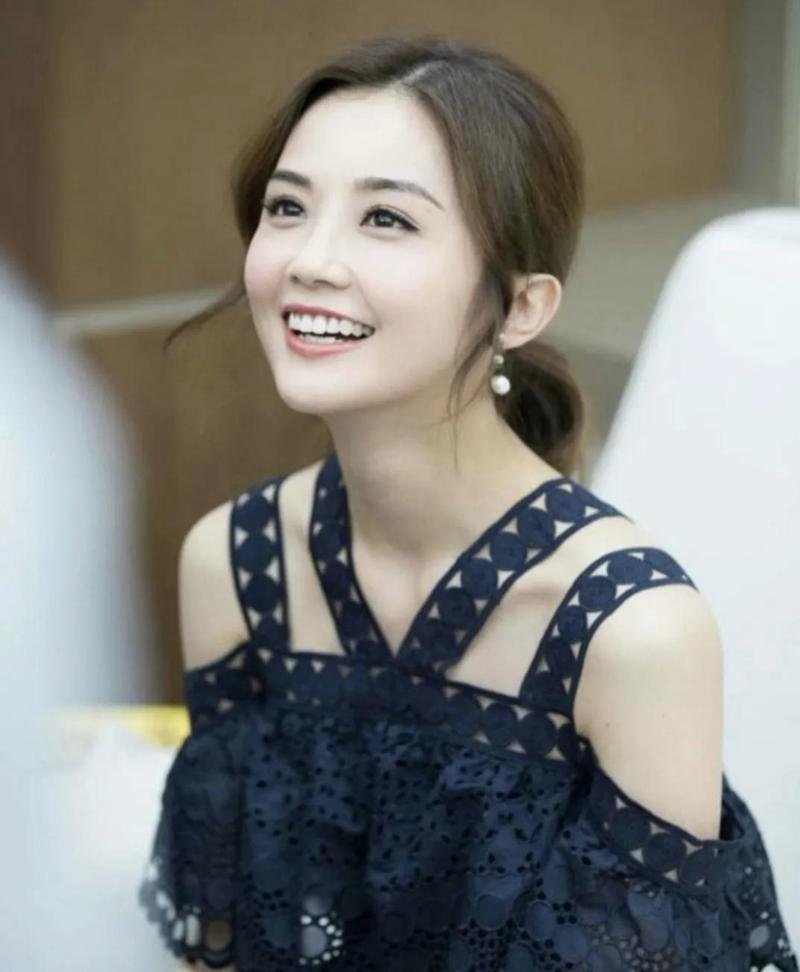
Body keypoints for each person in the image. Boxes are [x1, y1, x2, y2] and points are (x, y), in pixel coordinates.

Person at [138, 34, 797, 971]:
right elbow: (223, 947)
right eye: (288, 207)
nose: (309, 260)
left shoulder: (633, 633)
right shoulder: (236, 565)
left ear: (521, 307)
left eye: (386, 219)